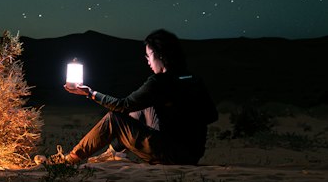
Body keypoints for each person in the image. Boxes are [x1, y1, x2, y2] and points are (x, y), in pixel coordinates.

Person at [42, 29, 218, 166]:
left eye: (149, 55)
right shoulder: (192, 79)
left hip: (172, 154)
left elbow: (122, 105)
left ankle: (71, 159)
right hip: (192, 154)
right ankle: (115, 152)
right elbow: (212, 115)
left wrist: (90, 93)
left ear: (160, 56)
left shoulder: (159, 82)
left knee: (114, 119)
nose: (147, 60)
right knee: (143, 106)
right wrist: (180, 112)